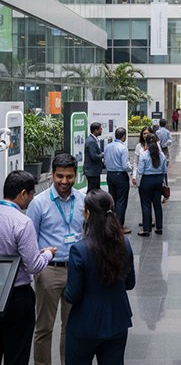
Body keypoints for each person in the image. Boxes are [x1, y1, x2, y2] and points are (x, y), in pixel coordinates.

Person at [64, 190, 135, 365]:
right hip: (117, 320)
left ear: (88, 213)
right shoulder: (124, 243)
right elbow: (130, 283)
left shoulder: (79, 250)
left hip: (85, 323)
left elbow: (73, 294)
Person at [26, 153, 85, 365]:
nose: (64, 181)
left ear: (76, 175)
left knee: (71, 327)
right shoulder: (39, 203)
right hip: (48, 271)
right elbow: (30, 239)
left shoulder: (82, 201)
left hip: (76, 270)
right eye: (60, 176)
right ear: (52, 175)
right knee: (44, 327)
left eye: (69, 176)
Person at [0, 171, 56, 365]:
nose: (32, 199)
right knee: (17, 355)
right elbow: (34, 266)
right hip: (17, 297)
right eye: (31, 194)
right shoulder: (22, 223)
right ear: (23, 193)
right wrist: (47, 254)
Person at [137, 134, 167, 236]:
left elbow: (140, 171)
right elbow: (164, 170)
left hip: (147, 180)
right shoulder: (161, 155)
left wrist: (138, 183)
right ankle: (159, 227)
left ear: (146, 143)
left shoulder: (144, 155)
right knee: (157, 204)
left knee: (146, 205)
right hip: (158, 180)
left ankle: (146, 229)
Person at [104, 127, 132, 234]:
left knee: (113, 200)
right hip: (120, 176)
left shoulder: (108, 147)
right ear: (124, 136)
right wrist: (132, 168)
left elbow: (105, 161)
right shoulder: (123, 148)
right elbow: (125, 166)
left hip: (110, 175)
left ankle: (111, 224)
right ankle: (119, 226)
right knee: (121, 201)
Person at [84, 122, 103, 191]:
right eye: (100, 129)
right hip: (92, 171)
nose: (101, 130)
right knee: (93, 191)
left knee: (96, 190)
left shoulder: (92, 139)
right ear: (96, 130)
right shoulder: (91, 141)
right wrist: (103, 155)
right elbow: (94, 156)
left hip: (93, 171)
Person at [157, 118, 172, 201]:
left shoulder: (157, 132)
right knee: (165, 168)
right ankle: (165, 186)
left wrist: (159, 145)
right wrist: (165, 145)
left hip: (157, 150)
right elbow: (170, 140)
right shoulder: (167, 132)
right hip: (165, 149)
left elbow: (156, 141)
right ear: (165, 124)